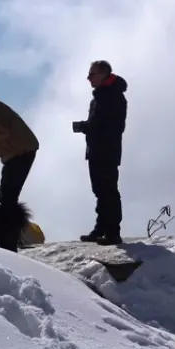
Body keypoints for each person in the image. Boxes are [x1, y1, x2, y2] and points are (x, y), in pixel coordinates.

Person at [73, 60, 127, 245]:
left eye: (92, 74)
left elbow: (109, 126)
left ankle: (112, 233)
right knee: (101, 191)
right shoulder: (102, 96)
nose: (88, 78)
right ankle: (100, 229)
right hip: (98, 151)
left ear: (104, 74)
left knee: (108, 191)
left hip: (106, 151)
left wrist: (84, 126)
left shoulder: (111, 96)